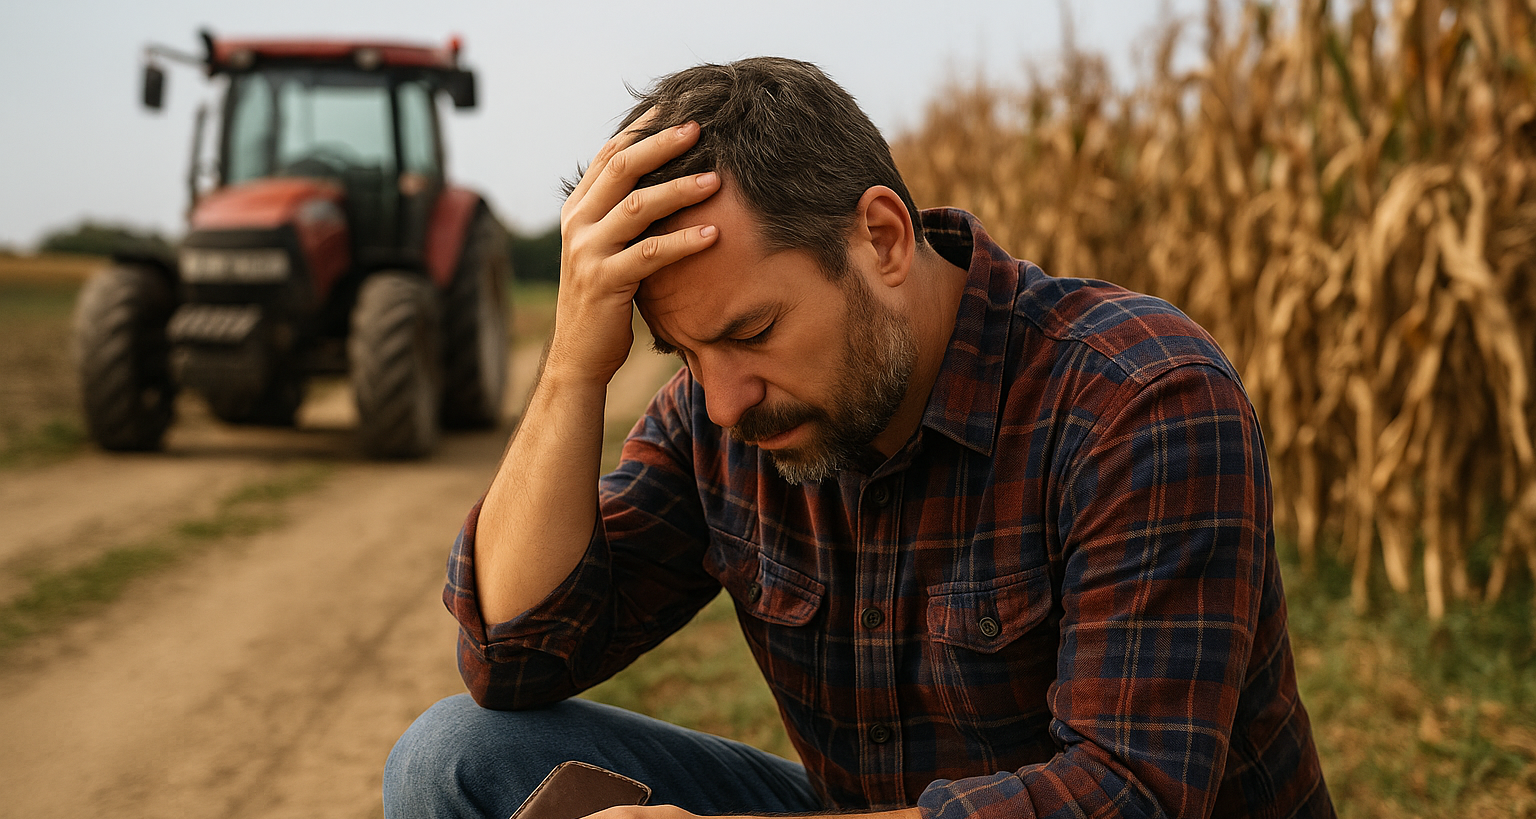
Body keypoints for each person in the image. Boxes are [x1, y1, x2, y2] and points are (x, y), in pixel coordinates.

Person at [383, 57, 1336, 819]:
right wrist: (571, 368)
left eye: (751, 332)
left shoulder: (1139, 398)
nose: (721, 401)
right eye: (684, 352)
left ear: (881, 236)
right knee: (456, 759)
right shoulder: (726, 416)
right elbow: (512, 657)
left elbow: (1130, 794)